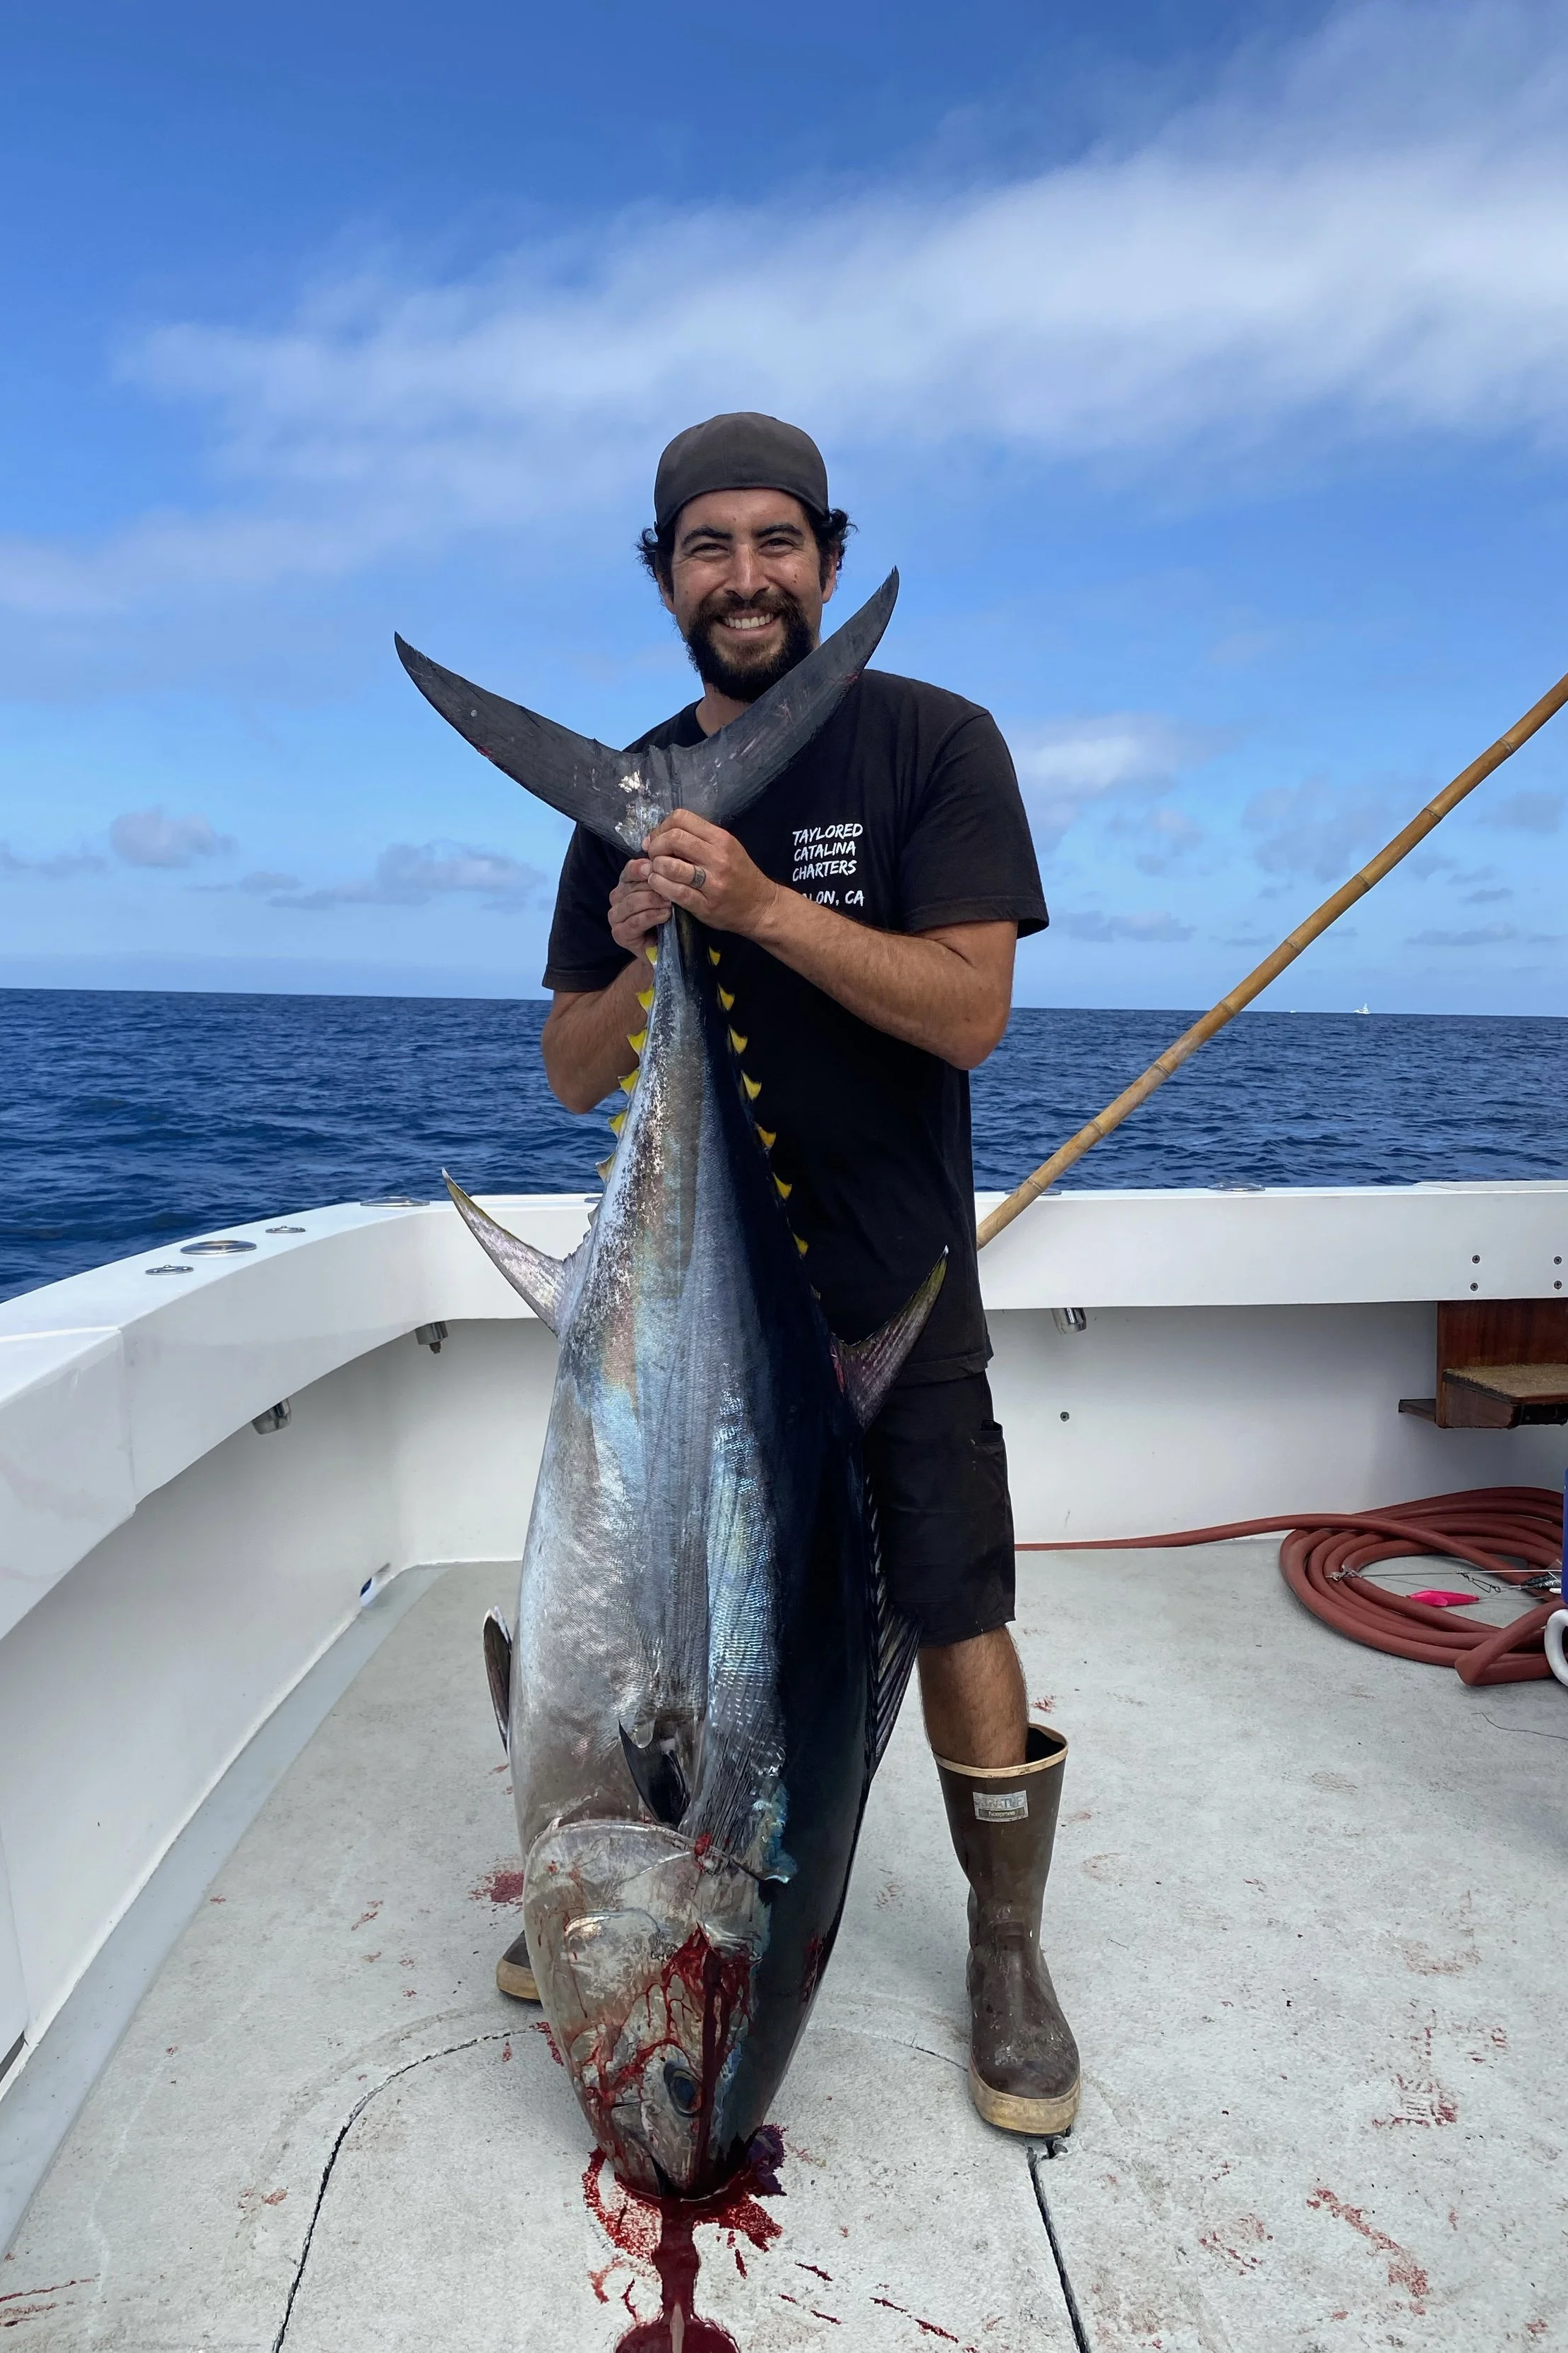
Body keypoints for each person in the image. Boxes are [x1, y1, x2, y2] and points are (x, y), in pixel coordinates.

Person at [497, 412, 1079, 2138]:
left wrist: (748, 902)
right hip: (682, 1305)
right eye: (705, 546)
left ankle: (1004, 1947)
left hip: (889, 1281)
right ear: (662, 570)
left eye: (774, 542)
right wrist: (633, 948)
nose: (742, 577)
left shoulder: (929, 746)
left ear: (825, 552)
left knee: (956, 1598)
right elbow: (570, 1071)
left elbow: (967, 1009)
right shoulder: (622, 794)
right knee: (632, 1618)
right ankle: (581, 1869)